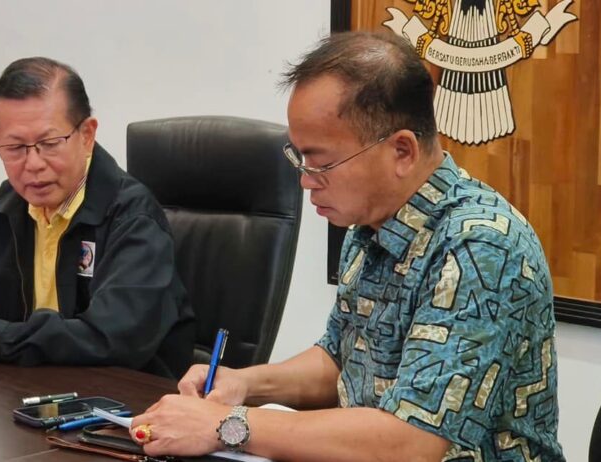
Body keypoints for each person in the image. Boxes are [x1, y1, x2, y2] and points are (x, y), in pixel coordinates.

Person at [130, 32, 564, 461]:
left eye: (322, 163)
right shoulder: (370, 225)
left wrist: (226, 425)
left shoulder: (481, 247)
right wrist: (245, 383)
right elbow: (339, 361)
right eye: (299, 159)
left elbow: (411, 443)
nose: (305, 181)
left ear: (402, 151)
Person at [0, 57, 195, 379]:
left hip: (125, 398)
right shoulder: (10, 204)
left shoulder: (132, 217)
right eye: (14, 147)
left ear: (87, 134)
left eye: (49, 144)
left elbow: (112, 338)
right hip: (28, 389)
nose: (33, 164)